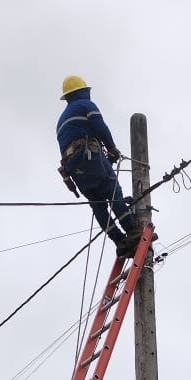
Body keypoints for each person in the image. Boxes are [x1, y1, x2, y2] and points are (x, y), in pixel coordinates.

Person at [56, 75, 141, 256]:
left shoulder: (61, 121)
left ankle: (119, 241)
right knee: (113, 191)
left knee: (98, 205)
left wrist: (105, 160)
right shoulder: (86, 105)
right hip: (89, 156)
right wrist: (112, 149)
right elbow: (100, 128)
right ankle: (132, 231)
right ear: (82, 91)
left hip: (75, 169)